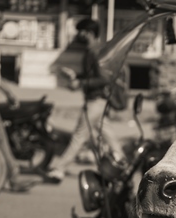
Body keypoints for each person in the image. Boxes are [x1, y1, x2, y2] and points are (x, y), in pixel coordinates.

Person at [42, 18, 125, 184]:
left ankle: (59, 170)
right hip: (97, 100)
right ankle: (123, 164)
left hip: (97, 100)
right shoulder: (93, 50)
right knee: (108, 134)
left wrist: (80, 82)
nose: (78, 35)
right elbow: (93, 76)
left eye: (81, 31)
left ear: (88, 33)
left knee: (79, 136)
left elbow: (103, 79)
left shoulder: (96, 51)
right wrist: (76, 77)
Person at [0, 4, 36, 192]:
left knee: (1, 139)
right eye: (0, 17)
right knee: (1, 139)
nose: (3, 21)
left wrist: (8, 92)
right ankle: (14, 178)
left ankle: (14, 177)